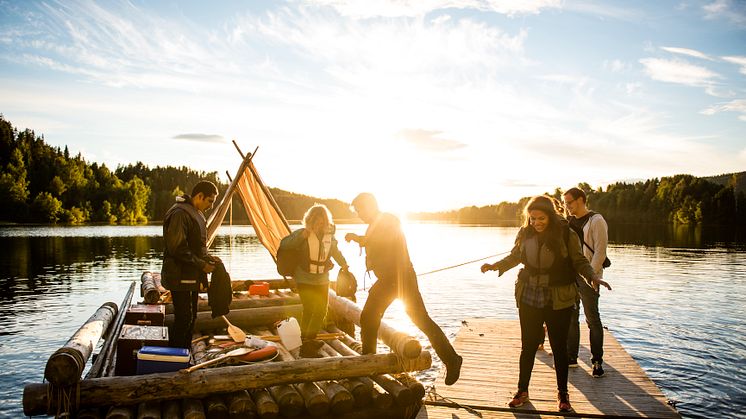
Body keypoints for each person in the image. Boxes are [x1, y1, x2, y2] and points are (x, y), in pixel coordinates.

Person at [480, 195, 611, 412]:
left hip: (558, 297)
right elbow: (515, 257)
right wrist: (495, 266)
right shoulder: (524, 233)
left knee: (559, 347)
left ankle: (563, 394)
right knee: (528, 346)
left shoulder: (566, 233)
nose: (536, 223)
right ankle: (522, 391)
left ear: (550, 215)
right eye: (532, 219)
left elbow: (579, 260)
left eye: (540, 218)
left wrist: (593, 276)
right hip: (529, 295)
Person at [345, 193, 463, 386]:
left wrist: (360, 239)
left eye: (360, 210)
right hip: (389, 279)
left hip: (401, 278)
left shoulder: (388, 220)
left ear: (370, 206)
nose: (359, 215)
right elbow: (373, 240)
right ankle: (369, 360)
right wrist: (359, 238)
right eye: (357, 212)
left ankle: (452, 359)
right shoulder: (375, 223)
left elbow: (380, 239)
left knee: (419, 319)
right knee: (369, 316)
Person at [281, 204, 349, 358]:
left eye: (323, 221)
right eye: (316, 221)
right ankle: (308, 344)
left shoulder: (329, 236)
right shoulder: (302, 234)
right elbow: (284, 244)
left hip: (322, 279)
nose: (320, 224)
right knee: (312, 309)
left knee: (321, 310)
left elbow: (335, 252)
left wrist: (343, 263)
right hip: (304, 278)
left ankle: (307, 340)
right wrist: (301, 237)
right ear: (310, 220)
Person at [161, 180, 220, 349]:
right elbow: (178, 248)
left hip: (191, 275)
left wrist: (209, 258)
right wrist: (202, 265)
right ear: (199, 196)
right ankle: (175, 358)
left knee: (191, 317)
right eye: (210, 201)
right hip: (180, 276)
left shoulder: (197, 212)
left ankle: (183, 354)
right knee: (184, 318)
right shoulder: (180, 213)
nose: (210, 205)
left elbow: (198, 246)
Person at [563, 187, 609, 377]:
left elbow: (600, 251)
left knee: (592, 320)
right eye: (565, 203)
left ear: (581, 200)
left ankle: (597, 362)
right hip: (570, 277)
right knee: (572, 318)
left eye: (570, 202)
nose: (567, 206)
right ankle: (571, 358)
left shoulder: (596, 220)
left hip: (590, 277)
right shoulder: (568, 222)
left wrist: (590, 275)